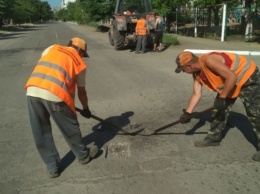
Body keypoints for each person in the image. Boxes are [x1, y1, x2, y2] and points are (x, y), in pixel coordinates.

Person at [25, 37, 99, 178]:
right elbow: (81, 91)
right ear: (79, 49)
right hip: (55, 95)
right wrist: (86, 108)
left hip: (32, 91)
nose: (83, 56)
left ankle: (52, 167)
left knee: (40, 132)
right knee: (69, 127)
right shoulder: (79, 62)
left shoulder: (51, 48)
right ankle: (83, 156)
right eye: (83, 53)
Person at [175, 51, 260, 162]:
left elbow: (232, 77)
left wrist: (222, 97)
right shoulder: (196, 73)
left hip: (247, 76)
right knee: (218, 110)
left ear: (189, 65)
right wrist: (188, 113)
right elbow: (196, 93)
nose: (183, 72)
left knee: (255, 113)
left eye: (183, 69)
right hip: (230, 80)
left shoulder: (209, 60)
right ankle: (213, 138)